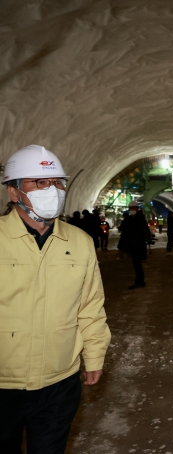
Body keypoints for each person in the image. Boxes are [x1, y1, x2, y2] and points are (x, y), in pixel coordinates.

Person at [0, 145, 111, 453]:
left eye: (58, 183)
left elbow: (90, 307)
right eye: (40, 183)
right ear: (14, 192)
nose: (53, 190)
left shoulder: (80, 242)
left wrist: (95, 356)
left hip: (59, 381)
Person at [121, 201, 151, 289]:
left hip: (137, 246)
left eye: (131, 208)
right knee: (137, 264)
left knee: (137, 264)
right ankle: (140, 281)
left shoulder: (138, 218)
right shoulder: (135, 217)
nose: (130, 210)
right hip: (136, 245)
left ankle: (139, 281)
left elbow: (140, 232)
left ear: (135, 208)